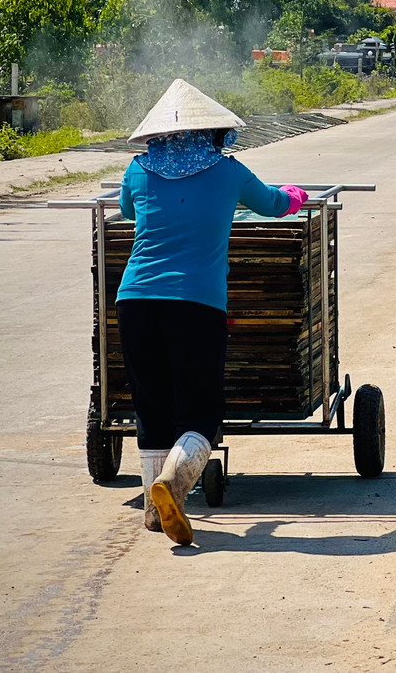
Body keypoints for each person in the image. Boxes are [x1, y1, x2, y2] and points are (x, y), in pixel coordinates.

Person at [116, 79, 309, 546]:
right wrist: (297, 194)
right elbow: (274, 205)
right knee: (199, 410)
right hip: (196, 305)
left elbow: (126, 211)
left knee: (151, 404)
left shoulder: (138, 170)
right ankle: (174, 486)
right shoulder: (229, 173)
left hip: (135, 301)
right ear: (214, 133)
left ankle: (153, 508)